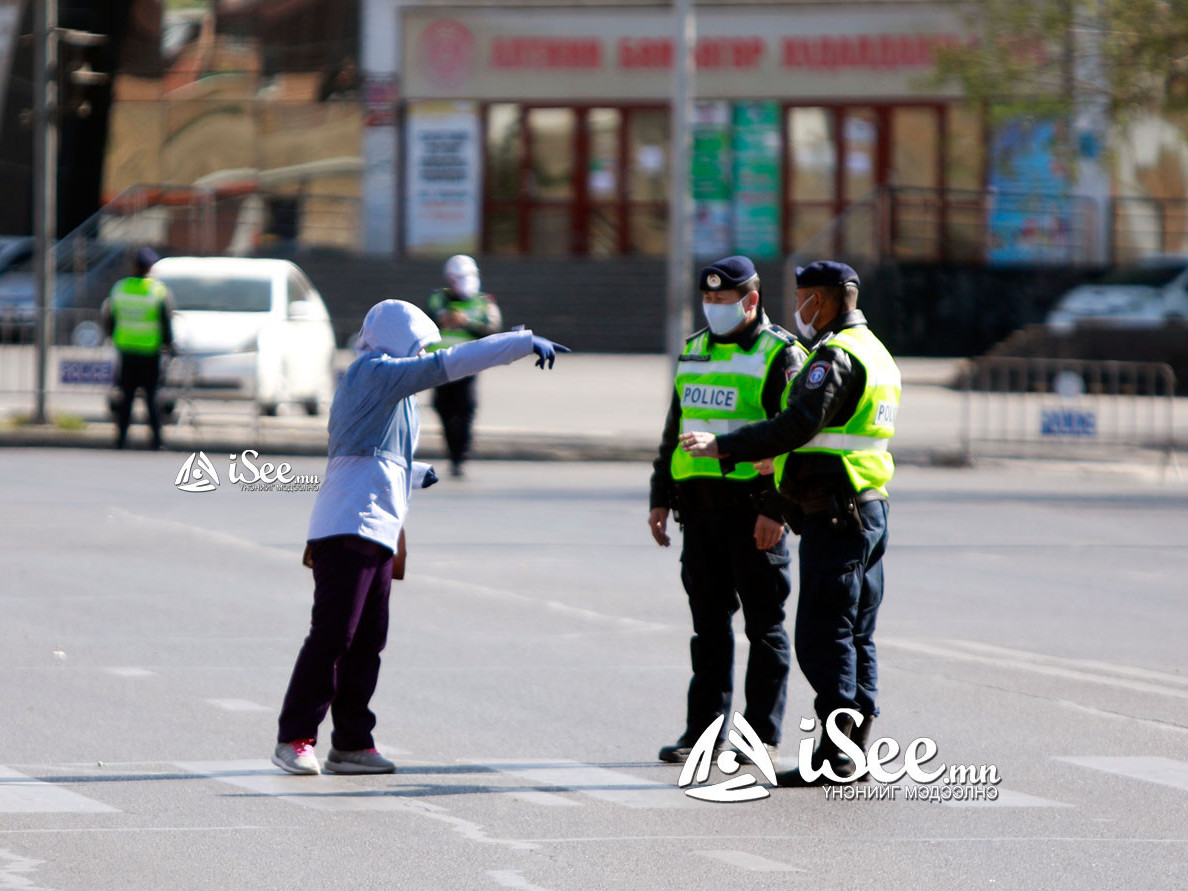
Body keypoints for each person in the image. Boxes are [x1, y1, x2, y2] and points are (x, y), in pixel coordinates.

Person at [273, 300, 568, 775]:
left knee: (367, 642)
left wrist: (417, 472)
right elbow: (446, 365)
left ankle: (351, 742)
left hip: (377, 526)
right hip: (349, 523)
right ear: (397, 339)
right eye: (419, 344)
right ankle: (294, 738)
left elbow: (372, 452)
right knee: (333, 637)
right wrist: (516, 343)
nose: (424, 354)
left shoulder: (391, 388)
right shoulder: (374, 371)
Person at [678, 261, 900, 786]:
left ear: (819, 301)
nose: (799, 308)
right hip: (867, 504)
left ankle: (837, 756)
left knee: (824, 636)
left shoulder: (835, 356)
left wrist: (727, 445)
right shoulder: (877, 352)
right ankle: (851, 749)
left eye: (803, 297)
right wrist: (776, 466)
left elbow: (800, 423)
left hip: (838, 514)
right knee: (855, 634)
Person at [648, 255, 807, 766]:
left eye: (723, 300)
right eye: (708, 300)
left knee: (764, 628)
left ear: (752, 299)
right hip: (699, 513)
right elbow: (676, 428)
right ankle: (704, 733)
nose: (713, 308)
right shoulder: (693, 351)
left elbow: (791, 440)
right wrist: (659, 494)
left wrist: (775, 511)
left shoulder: (780, 354)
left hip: (752, 511)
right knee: (709, 630)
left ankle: (759, 736)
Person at [426, 255, 503, 477]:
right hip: (441, 364)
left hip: (469, 364)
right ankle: (453, 452)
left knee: (466, 409)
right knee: (443, 408)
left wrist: (465, 323)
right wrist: (442, 319)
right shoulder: (438, 299)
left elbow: (493, 329)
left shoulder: (484, 302)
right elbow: (426, 320)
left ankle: (461, 456)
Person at [101, 247, 173, 450]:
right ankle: (157, 441)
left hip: (126, 350)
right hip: (150, 351)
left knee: (126, 397)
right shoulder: (157, 290)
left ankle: (121, 440)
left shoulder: (120, 288)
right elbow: (165, 320)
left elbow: (109, 318)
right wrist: (169, 344)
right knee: (151, 397)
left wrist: (114, 337)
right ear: (150, 268)